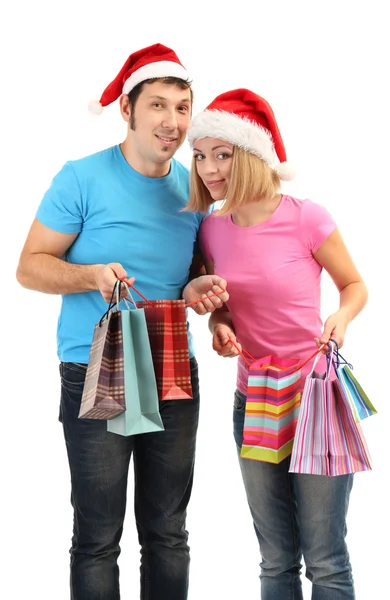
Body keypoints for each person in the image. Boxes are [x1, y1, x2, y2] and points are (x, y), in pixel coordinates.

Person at [15, 43, 228, 600]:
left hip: (173, 370)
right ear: (127, 111)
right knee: (97, 536)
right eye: (158, 106)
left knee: (168, 533)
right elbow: (29, 267)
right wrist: (91, 277)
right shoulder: (80, 178)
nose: (172, 122)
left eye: (183, 107)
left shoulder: (194, 188)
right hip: (94, 371)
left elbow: (192, 273)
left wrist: (203, 298)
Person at [185, 88, 368, 600]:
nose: (208, 168)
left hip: (314, 392)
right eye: (200, 155)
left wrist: (342, 315)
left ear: (252, 157)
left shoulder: (306, 217)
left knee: (326, 559)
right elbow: (218, 299)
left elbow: (355, 284)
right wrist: (219, 323)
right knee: (276, 561)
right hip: (255, 396)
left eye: (222, 154)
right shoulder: (211, 230)